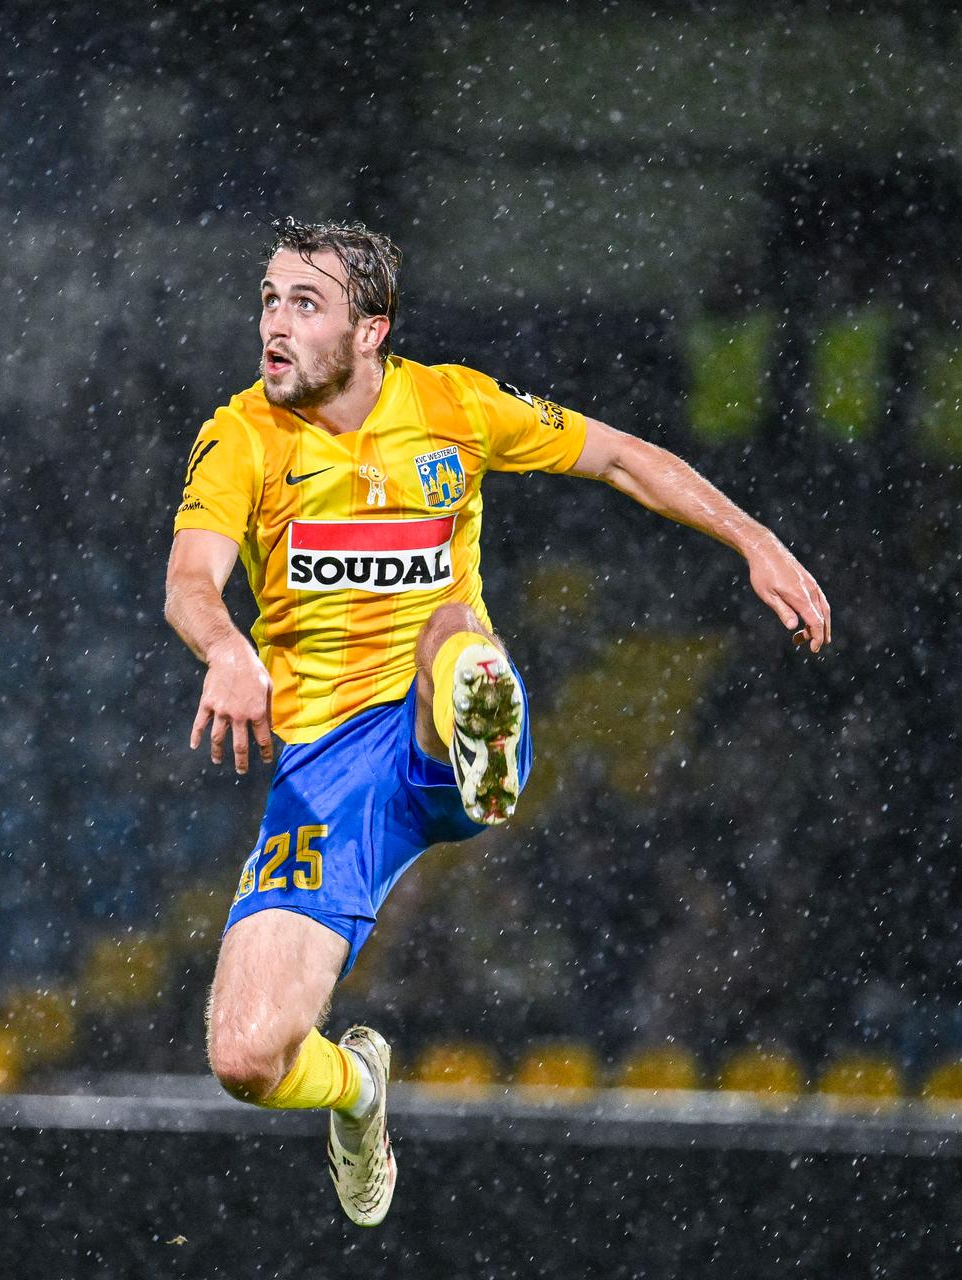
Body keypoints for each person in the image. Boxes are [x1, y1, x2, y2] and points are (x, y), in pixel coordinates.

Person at [164, 218, 831, 1226]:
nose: (275, 323)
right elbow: (190, 579)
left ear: (371, 329)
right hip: (328, 775)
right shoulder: (243, 435)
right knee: (246, 1055)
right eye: (268, 298)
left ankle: (479, 734)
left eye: (306, 304)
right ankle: (358, 1089)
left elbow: (618, 457)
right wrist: (227, 648)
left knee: (450, 631)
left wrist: (753, 537)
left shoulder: (455, 406)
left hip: (433, 712)